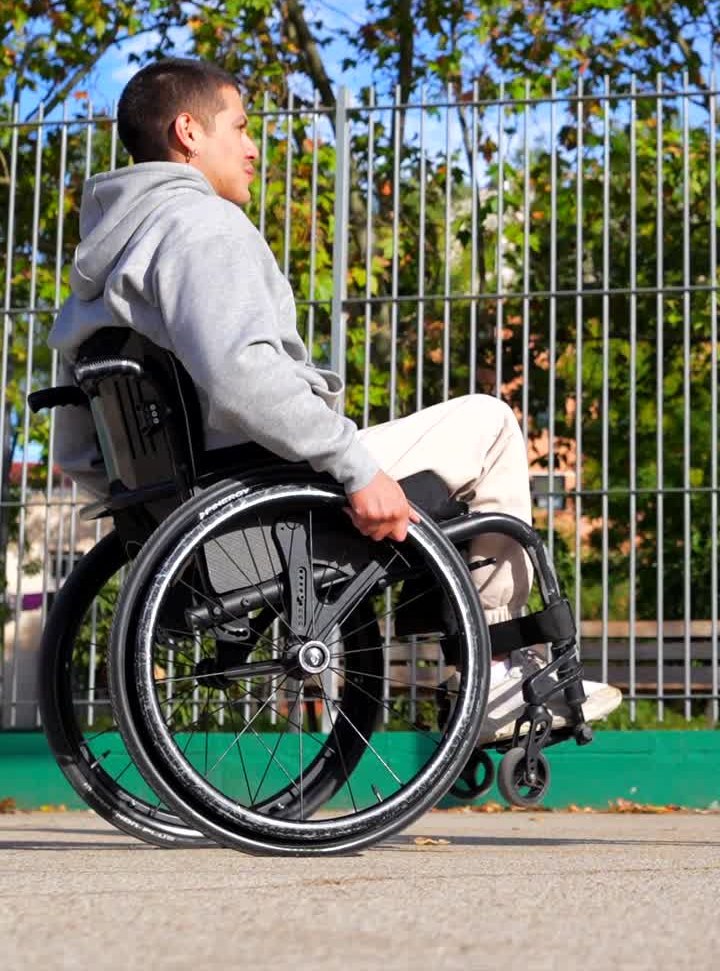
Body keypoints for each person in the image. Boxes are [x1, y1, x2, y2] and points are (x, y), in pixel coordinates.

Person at [49, 57, 621, 740]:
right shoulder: (202, 227)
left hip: (201, 513)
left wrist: (151, 521)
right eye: (240, 126)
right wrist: (355, 468)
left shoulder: (104, 262)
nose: (253, 145)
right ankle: (496, 667)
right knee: (491, 423)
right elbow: (242, 377)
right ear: (188, 132)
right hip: (265, 497)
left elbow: (78, 446)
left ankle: (471, 638)